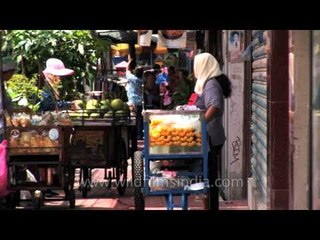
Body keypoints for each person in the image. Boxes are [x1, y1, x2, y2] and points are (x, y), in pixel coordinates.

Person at [193, 52, 231, 210]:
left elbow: (214, 106)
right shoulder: (210, 83)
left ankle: (211, 207)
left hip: (210, 136)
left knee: (209, 176)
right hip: (210, 135)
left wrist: (199, 124)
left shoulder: (211, 84)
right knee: (208, 175)